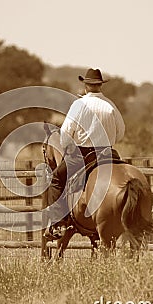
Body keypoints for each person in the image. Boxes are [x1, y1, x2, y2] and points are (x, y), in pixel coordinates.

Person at [44, 68, 125, 240]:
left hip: (83, 154)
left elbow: (65, 135)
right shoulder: (110, 105)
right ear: (100, 85)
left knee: (56, 179)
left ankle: (58, 224)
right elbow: (121, 132)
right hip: (108, 153)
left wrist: (69, 148)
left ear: (86, 85)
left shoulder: (78, 105)